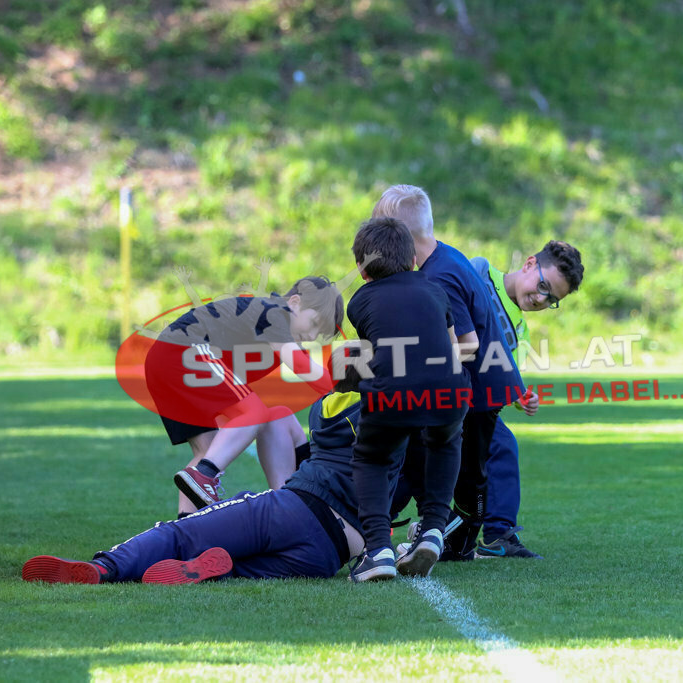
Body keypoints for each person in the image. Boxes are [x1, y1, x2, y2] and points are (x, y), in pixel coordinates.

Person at [23, 361, 377, 584]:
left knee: (180, 534)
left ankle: (104, 568)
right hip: (331, 554)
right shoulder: (412, 431)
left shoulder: (330, 409)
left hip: (297, 511)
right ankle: (202, 570)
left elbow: (314, 407)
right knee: (233, 569)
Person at [371, 185, 536, 563]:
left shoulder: (439, 277)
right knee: (439, 459)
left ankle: (454, 541)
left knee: (465, 470)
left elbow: (468, 345)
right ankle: (436, 533)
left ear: (399, 235)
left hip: (480, 389)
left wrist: (410, 366)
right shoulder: (444, 255)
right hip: (484, 383)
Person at [141, 276, 342, 515]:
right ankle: (205, 474)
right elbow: (301, 366)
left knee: (211, 449)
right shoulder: (277, 312)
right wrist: (346, 388)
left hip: (164, 360)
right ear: (295, 302)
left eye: (320, 333)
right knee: (254, 413)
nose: (312, 336)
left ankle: (183, 527)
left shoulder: (274, 321)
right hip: (183, 350)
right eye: (315, 323)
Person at [345, 217, 470, 582]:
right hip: (450, 389)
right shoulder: (435, 290)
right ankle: (432, 528)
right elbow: (449, 345)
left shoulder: (360, 300)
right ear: (414, 259)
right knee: (445, 441)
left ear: (361, 268)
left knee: (372, 456)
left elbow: (370, 356)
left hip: (394, 393)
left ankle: (377, 550)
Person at [469, 240, 583, 558]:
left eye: (552, 299)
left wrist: (522, 396)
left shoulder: (520, 329)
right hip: (439, 395)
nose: (541, 298)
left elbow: (505, 377)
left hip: (472, 408)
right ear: (530, 264)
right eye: (543, 286)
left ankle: (494, 534)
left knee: (500, 447)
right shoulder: (477, 272)